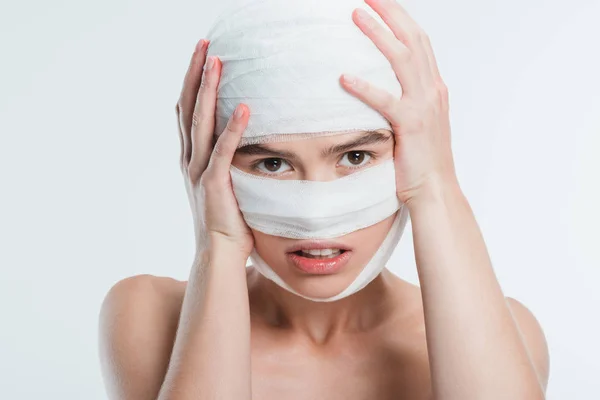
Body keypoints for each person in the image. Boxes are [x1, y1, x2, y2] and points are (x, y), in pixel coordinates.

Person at [98, 1, 550, 399]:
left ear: (412, 153)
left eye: (355, 157)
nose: (316, 216)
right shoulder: (151, 317)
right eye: (272, 164)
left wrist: (437, 186)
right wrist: (216, 243)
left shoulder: (505, 333)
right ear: (211, 165)